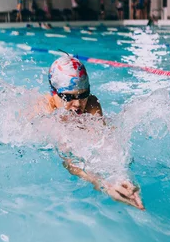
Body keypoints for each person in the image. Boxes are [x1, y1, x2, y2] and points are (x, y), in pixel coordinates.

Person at [36, 55, 144, 210]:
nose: (78, 104)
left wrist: (120, 178)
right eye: (69, 97)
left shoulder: (91, 104)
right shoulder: (45, 111)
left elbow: (104, 144)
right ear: (54, 93)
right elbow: (68, 159)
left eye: (82, 94)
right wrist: (102, 184)